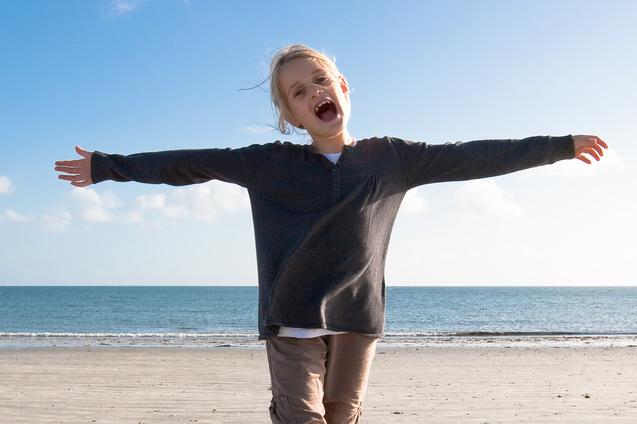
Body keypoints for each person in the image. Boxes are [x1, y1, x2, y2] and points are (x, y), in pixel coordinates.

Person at [54, 44, 608, 424]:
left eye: (320, 79)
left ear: (342, 87)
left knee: (342, 416)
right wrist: (108, 166)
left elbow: (476, 158)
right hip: (292, 316)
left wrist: (559, 145)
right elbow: (187, 164)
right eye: (297, 91)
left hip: (359, 320)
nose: (313, 91)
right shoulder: (268, 163)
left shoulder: (393, 159)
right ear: (293, 117)